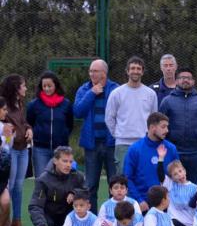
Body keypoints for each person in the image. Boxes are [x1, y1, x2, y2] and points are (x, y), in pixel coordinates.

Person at [73, 59, 119, 213]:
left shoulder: (116, 89)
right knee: (90, 185)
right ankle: (91, 219)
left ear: (104, 73)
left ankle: (113, 217)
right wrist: (91, 94)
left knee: (115, 184)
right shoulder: (84, 89)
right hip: (91, 144)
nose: (92, 74)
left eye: (95, 71)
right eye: (91, 71)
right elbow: (78, 112)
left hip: (111, 143)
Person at [105, 56, 159, 174]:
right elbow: (109, 118)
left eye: (138, 69)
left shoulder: (151, 94)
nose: (135, 71)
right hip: (122, 144)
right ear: (127, 71)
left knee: (144, 176)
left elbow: (154, 119)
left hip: (144, 142)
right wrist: (118, 134)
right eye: (132, 68)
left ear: (142, 72)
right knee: (124, 177)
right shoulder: (116, 93)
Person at [159, 67, 197, 183]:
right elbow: (160, 127)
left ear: (193, 81)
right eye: (182, 78)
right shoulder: (167, 101)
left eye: (188, 78)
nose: (185, 80)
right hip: (174, 152)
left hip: (196, 154)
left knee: (195, 186)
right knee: (172, 186)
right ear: (176, 81)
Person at [28, 146, 86, 226]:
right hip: (49, 214)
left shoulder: (77, 176)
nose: (68, 165)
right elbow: (35, 205)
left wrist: (74, 193)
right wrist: (41, 225)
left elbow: (86, 192)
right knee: (45, 223)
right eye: (64, 161)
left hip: (68, 214)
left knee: (82, 207)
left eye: (70, 162)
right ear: (55, 161)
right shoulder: (43, 180)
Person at [124, 112, 179, 212]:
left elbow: (178, 177)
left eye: (167, 127)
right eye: (163, 127)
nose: (167, 130)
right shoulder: (135, 149)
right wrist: (139, 200)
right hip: (144, 205)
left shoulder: (171, 149)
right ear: (152, 127)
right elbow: (128, 178)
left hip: (168, 206)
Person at [26, 71, 73, 178]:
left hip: (61, 150)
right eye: (44, 86)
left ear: (55, 86)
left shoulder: (66, 104)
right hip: (40, 149)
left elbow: (70, 124)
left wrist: (63, 136)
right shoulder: (34, 105)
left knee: (62, 179)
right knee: (42, 180)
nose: (47, 88)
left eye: (49, 86)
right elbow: (30, 123)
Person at [0, 74, 31, 226]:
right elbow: (5, 128)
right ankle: (4, 223)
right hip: (10, 151)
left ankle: (16, 221)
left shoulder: (19, 103)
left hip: (23, 149)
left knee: (18, 186)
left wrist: (29, 129)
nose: (25, 88)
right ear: (15, 88)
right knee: (8, 186)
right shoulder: (4, 105)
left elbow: (23, 122)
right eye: (23, 85)